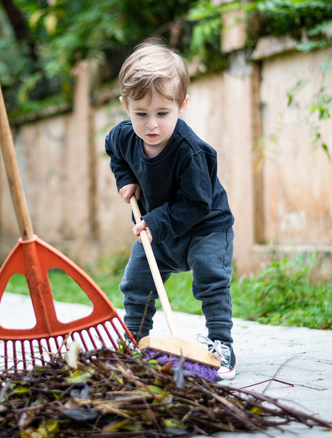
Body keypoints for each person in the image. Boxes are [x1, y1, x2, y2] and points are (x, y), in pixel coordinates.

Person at [105, 40, 237, 379]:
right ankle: (134, 341)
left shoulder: (191, 152)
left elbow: (196, 203)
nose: (152, 125)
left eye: (163, 113)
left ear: (182, 105)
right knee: (137, 282)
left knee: (210, 277)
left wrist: (155, 221)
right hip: (157, 228)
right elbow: (114, 152)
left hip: (204, 227)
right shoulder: (124, 137)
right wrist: (126, 179)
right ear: (126, 106)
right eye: (141, 114)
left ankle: (221, 343)